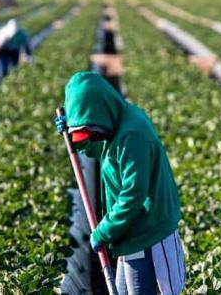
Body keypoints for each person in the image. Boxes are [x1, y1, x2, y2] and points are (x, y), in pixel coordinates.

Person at [55, 71, 186, 295]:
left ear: (100, 112)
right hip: (131, 230)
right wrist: (74, 136)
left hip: (147, 231)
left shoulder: (132, 134)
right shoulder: (116, 122)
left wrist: (103, 232)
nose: (91, 137)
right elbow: (105, 150)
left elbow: (132, 195)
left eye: (89, 131)